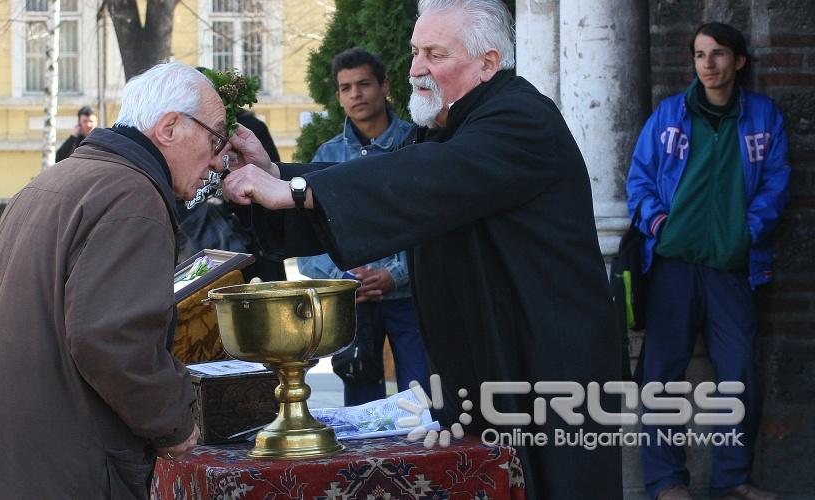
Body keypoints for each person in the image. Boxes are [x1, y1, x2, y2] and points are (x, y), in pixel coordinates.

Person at [221, 1, 622, 498]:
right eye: (415, 52)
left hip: (548, 363)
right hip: (495, 359)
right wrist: (275, 174)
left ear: (488, 63)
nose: (415, 68)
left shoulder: (520, 117)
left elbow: (424, 179)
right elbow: (393, 171)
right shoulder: (454, 122)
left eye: (435, 53)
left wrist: (299, 191)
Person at [0, 61, 232, 498]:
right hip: (63, 471)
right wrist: (174, 421)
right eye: (215, 138)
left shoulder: (51, 183)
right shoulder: (132, 196)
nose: (217, 159)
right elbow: (113, 339)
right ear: (169, 127)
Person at [627, 22, 790, 500]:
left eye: (718, 54)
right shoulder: (669, 115)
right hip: (672, 266)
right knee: (661, 376)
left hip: (733, 267)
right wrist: (659, 226)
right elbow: (638, 179)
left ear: (738, 61)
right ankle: (665, 480)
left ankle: (734, 479)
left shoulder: (763, 117)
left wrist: (746, 232)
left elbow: (777, 182)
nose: (708, 64)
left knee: (739, 371)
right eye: (699, 54)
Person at [297, 48, 427, 405]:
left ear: (384, 86)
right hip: (353, 305)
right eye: (346, 87)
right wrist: (344, 277)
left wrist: (395, 274)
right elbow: (308, 244)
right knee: (361, 407)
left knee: (423, 401)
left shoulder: (417, 143)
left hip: (411, 300)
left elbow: (433, 224)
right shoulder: (326, 158)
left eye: (364, 83)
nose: (355, 94)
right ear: (338, 96)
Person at [174, 106, 287, 282]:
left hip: (251, 239)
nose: (218, 163)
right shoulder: (182, 130)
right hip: (195, 241)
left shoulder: (245, 129)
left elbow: (272, 184)